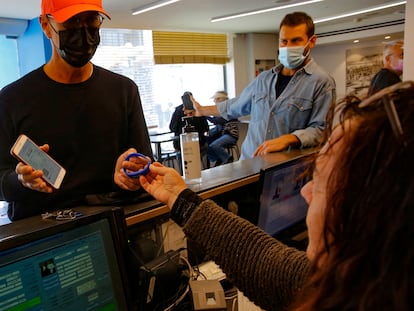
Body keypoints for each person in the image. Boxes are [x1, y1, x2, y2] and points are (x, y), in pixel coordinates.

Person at [139, 81, 414, 311]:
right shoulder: (352, 283)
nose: (306, 191)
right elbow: (266, 264)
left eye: (321, 184)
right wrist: (180, 197)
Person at [0, 0, 153, 220]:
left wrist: (131, 175)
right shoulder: (11, 99)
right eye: (72, 21)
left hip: (112, 224)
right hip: (45, 236)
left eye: (90, 20)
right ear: (45, 25)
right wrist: (21, 181)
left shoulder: (123, 90)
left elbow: (143, 163)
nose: (82, 32)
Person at [191, 12, 336, 160]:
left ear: (311, 42)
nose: (288, 47)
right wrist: (202, 110)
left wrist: (290, 139)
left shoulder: (321, 82)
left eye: (296, 41)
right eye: (284, 41)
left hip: (285, 170)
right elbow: (235, 105)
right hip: (248, 164)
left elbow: (321, 130)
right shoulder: (264, 79)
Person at [206, 91, 239, 166]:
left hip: (231, 135)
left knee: (214, 145)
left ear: (220, 100)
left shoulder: (228, 110)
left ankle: (227, 159)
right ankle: (220, 158)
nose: (214, 101)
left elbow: (216, 121)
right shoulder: (223, 110)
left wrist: (204, 114)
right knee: (208, 143)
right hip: (225, 134)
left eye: (215, 99)